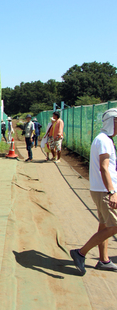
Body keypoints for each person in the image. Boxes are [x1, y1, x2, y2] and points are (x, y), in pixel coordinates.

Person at [70, 108, 117, 275]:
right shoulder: (104, 140)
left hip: (101, 189)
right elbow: (104, 168)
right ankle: (80, 253)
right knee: (114, 226)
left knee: (104, 225)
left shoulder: (104, 139)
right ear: (113, 122)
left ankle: (103, 260)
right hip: (105, 190)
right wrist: (112, 192)